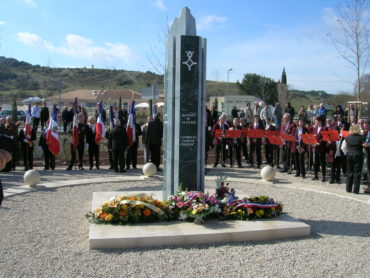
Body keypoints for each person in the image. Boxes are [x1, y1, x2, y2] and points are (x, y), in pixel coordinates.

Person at [343, 125, 364, 194]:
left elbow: (343, 147)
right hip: (358, 155)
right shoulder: (361, 138)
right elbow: (364, 146)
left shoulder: (347, 137)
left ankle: (348, 188)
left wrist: (347, 153)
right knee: (357, 173)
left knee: (349, 172)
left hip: (349, 155)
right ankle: (356, 190)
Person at [312, 117, 328, 181]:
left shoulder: (324, 128)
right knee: (316, 162)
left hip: (322, 147)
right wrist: (313, 142)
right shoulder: (315, 128)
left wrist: (319, 143)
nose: (315, 122)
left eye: (316, 121)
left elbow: (325, 137)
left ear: (319, 121)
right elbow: (314, 136)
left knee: (322, 162)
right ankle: (316, 175)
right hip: (316, 148)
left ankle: (323, 176)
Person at [363, 120, 370, 193]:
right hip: (368, 152)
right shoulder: (367, 132)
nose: (365, 127)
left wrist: (368, 145)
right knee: (368, 169)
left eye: (366, 125)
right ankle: (368, 185)